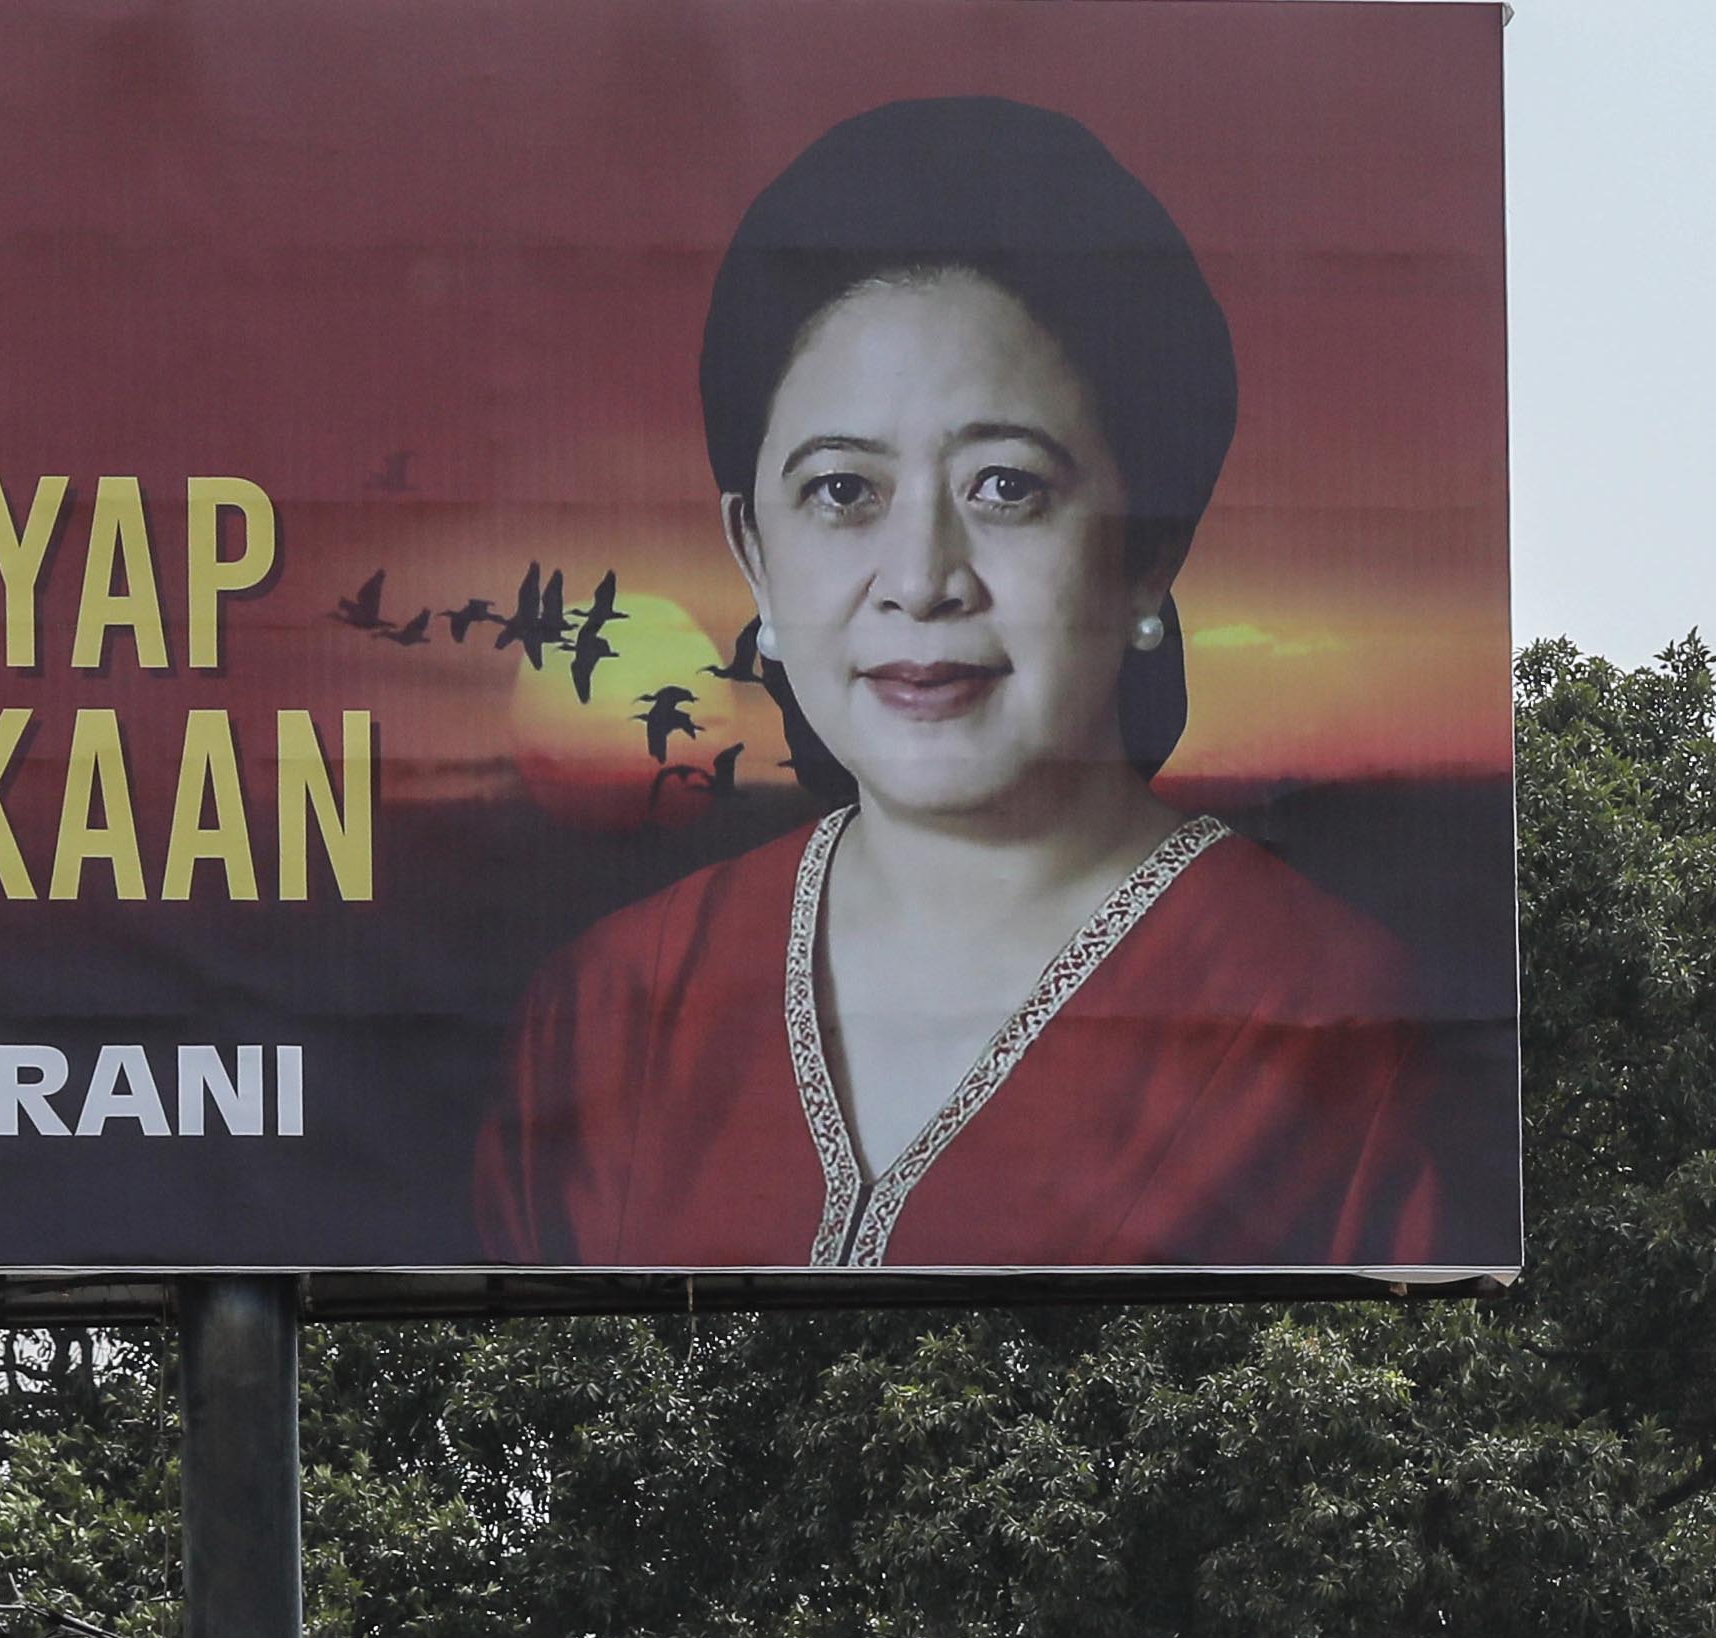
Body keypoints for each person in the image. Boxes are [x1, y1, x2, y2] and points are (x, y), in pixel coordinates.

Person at [475, 94, 1445, 1274]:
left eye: (1004, 488)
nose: (922, 582)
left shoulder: (1341, 1029)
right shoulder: (612, 1010)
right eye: (842, 491)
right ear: (753, 552)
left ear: (1150, 547)